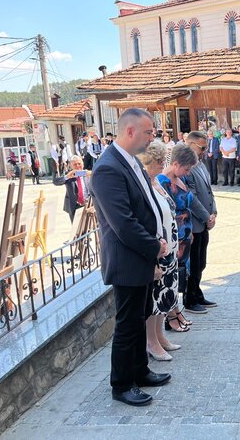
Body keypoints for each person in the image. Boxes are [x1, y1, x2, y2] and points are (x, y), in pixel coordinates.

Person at [90, 108, 170, 407]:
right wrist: (154, 246)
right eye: (149, 132)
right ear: (130, 131)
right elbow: (122, 223)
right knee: (127, 325)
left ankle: (140, 370)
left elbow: (144, 205)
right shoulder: (108, 168)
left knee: (139, 319)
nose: (153, 137)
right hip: (127, 260)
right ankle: (122, 384)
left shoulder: (131, 161)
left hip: (141, 257)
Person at [138, 142, 185, 361]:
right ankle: (151, 342)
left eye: (162, 161)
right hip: (158, 252)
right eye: (158, 162)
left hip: (170, 248)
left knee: (165, 296)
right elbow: (147, 219)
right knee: (155, 299)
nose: (161, 165)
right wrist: (155, 258)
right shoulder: (143, 184)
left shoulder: (156, 181)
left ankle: (160, 336)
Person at [158, 143, 200, 319]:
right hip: (173, 237)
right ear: (176, 164)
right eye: (187, 168)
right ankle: (171, 316)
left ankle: (177, 311)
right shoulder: (162, 181)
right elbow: (166, 213)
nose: (188, 173)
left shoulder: (179, 179)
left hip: (184, 235)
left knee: (181, 276)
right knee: (171, 278)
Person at [183, 132, 218, 314]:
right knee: (194, 262)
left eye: (206, 148)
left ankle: (197, 293)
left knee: (201, 262)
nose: (204, 151)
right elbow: (192, 198)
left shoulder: (201, 165)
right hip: (194, 223)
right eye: (201, 147)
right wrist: (206, 216)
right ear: (190, 144)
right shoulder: (186, 168)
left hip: (204, 222)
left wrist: (214, 213)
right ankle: (189, 299)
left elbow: (209, 192)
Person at [53, 155, 91, 222]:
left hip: (88, 204)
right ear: (71, 166)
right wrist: (67, 177)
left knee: (89, 227)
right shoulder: (69, 175)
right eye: (75, 164)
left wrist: (91, 174)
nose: (77, 166)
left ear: (83, 164)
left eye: (79, 163)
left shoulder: (87, 174)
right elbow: (56, 182)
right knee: (76, 229)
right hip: (74, 206)